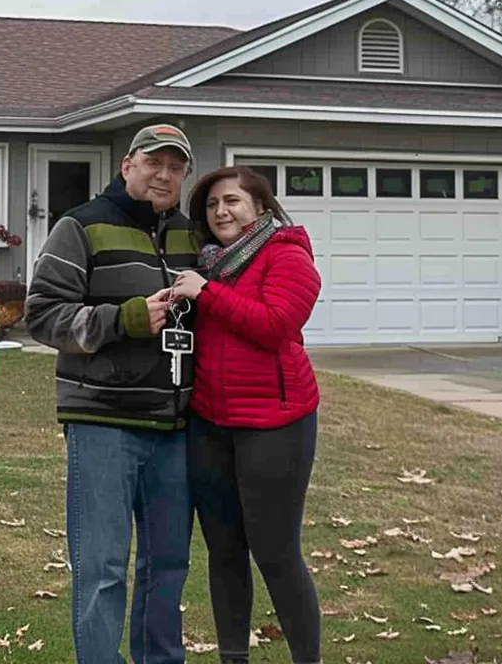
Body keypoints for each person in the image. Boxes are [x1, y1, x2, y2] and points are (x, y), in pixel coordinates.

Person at [23, 123, 200, 664]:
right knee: (101, 566)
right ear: (127, 165)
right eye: (154, 162)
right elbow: (43, 316)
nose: (164, 174)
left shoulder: (191, 237)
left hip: (175, 427)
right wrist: (121, 319)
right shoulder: (80, 227)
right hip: (103, 423)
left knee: (168, 565)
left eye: (175, 167)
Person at [168, 165, 323, 664]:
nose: (220, 212)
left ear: (260, 206)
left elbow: (277, 325)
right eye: (212, 205)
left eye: (231, 201)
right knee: (224, 553)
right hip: (211, 423)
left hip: (275, 424)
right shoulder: (210, 263)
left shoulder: (287, 254)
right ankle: (233, 658)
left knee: (276, 554)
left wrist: (206, 294)